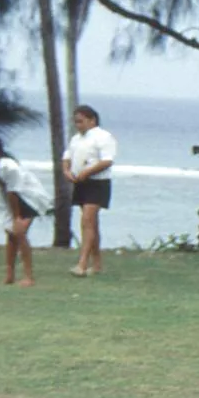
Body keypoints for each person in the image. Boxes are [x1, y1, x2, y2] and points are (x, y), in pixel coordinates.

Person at [0, 136, 53, 288]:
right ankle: (10, 275)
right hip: (7, 201)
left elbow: (13, 192)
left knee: (19, 234)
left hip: (27, 199)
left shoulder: (9, 168)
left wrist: (16, 217)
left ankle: (28, 276)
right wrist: (6, 217)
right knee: (11, 236)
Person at [64, 105, 116, 277]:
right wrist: (67, 171)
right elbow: (67, 157)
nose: (78, 125)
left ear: (92, 120)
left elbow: (107, 161)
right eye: (76, 122)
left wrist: (87, 172)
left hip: (97, 183)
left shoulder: (103, 137)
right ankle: (97, 263)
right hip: (81, 183)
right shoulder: (76, 139)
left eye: (81, 121)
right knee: (91, 223)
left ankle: (82, 263)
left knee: (87, 220)